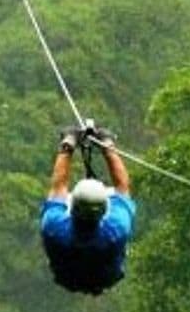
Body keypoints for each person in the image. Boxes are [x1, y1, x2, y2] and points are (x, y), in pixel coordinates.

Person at [40, 124, 136, 294]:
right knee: (116, 196)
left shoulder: (54, 228)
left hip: (68, 277)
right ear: (103, 211)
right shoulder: (116, 229)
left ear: (74, 207)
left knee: (59, 199)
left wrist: (68, 144)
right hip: (106, 277)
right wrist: (108, 146)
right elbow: (122, 187)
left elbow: (58, 187)